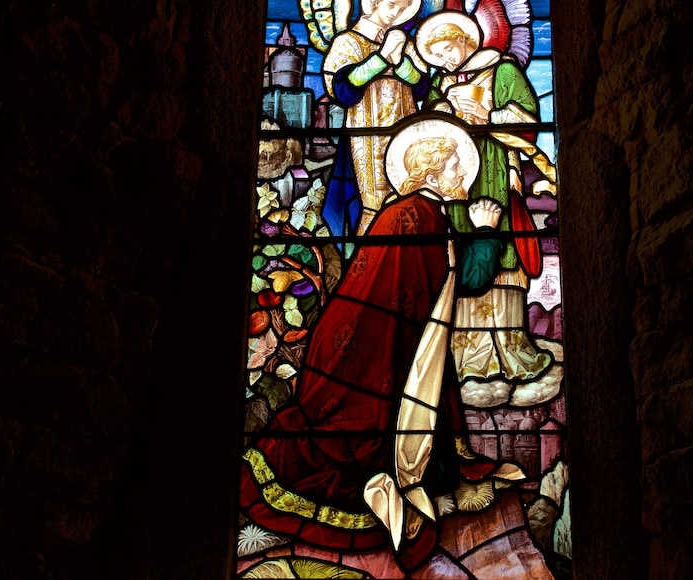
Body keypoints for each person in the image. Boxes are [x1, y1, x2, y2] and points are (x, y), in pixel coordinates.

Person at [239, 118, 525, 571]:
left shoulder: (407, 211)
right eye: (454, 167)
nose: (462, 177)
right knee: (354, 450)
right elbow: (463, 279)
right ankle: (387, 489)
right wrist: (486, 230)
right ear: (431, 175)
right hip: (374, 369)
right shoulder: (420, 218)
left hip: (364, 356)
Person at [417, 11, 554, 384]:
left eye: (448, 50)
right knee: (463, 249)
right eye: (437, 57)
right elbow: (427, 125)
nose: (445, 61)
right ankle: (468, 356)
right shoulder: (442, 82)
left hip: (493, 169)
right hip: (455, 175)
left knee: (503, 244)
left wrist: (487, 114)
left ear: (466, 39)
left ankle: (511, 351)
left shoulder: (503, 70)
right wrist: (444, 108)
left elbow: (529, 122)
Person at [321, 0, 430, 238]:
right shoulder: (347, 42)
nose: (396, 14)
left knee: (407, 202)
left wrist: (400, 62)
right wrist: (380, 58)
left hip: (405, 136)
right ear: (372, 3)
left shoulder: (405, 44)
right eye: (392, 5)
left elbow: (423, 88)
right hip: (364, 140)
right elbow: (342, 90)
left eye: (403, 9)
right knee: (370, 207)